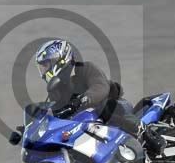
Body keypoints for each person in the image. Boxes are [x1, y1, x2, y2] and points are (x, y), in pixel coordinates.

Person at [34, 39, 166, 155]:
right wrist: (35, 123)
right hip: (91, 121)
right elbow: (56, 114)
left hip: (113, 105)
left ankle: (147, 135)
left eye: (45, 65)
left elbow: (100, 88)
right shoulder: (56, 90)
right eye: (42, 67)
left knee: (107, 108)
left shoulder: (86, 68)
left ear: (59, 59)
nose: (44, 71)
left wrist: (81, 100)